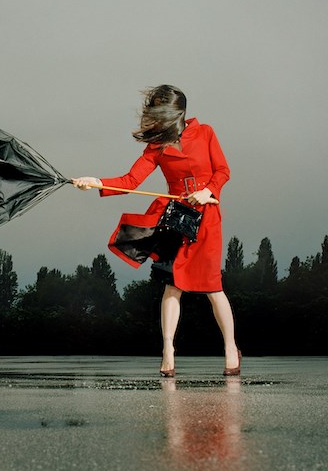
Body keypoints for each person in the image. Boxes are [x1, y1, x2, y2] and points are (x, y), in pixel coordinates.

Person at [73, 85, 241, 377]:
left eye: (159, 114)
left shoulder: (205, 133)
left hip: (206, 214)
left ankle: (229, 348)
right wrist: (95, 181)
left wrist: (207, 191)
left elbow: (222, 171)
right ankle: (168, 351)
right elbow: (129, 181)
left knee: (213, 286)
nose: (154, 120)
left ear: (175, 114)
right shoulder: (156, 148)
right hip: (174, 216)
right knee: (172, 284)